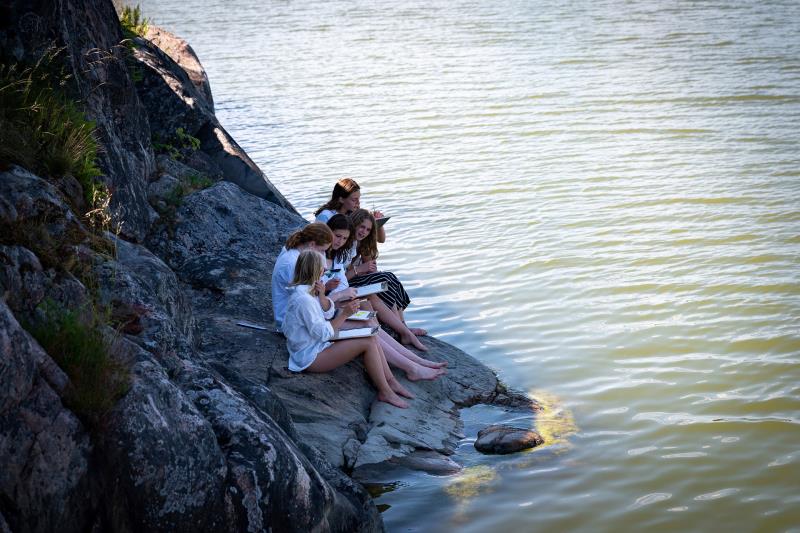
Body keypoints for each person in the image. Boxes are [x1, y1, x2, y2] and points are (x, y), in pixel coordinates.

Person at [282, 250, 411, 408]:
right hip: (310, 356)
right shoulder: (304, 300)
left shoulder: (307, 290)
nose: (325, 273)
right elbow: (323, 333)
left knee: (369, 330)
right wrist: (345, 315)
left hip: (315, 343)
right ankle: (385, 391)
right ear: (316, 271)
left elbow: (326, 313)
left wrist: (322, 296)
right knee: (368, 342)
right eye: (324, 270)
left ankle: (391, 381)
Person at [324, 214, 446, 376]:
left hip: (341, 297)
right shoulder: (321, 257)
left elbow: (375, 247)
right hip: (331, 307)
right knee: (368, 317)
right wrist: (352, 276)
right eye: (337, 236)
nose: (339, 241)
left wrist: (378, 227)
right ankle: (411, 364)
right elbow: (320, 294)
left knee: (374, 301)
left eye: (343, 238)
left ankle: (414, 358)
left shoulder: (338, 253)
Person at [347, 209, 428, 340]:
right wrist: (359, 269)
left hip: (356, 278)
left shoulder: (361, 242)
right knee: (386, 278)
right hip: (347, 284)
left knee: (390, 278)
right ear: (354, 223)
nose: (364, 232)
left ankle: (403, 327)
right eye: (362, 227)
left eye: (368, 230)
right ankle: (402, 330)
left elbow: (370, 263)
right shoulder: (346, 243)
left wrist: (368, 270)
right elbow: (343, 277)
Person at [271, 223, 336, 329]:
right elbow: (309, 299)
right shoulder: (292, 263)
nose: (323, 254)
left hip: (301, 315)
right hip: (292, 323)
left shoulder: (296, 252)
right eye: (322, 250)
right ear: (311, 245)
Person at [314, 178, 385, 243]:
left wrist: (377, 222)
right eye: (354, 200)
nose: (358, 203)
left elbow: (381, 240)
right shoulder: (325, 216)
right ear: (341, 199)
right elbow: (318, 242)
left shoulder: (353, 214)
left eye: (359, 199)